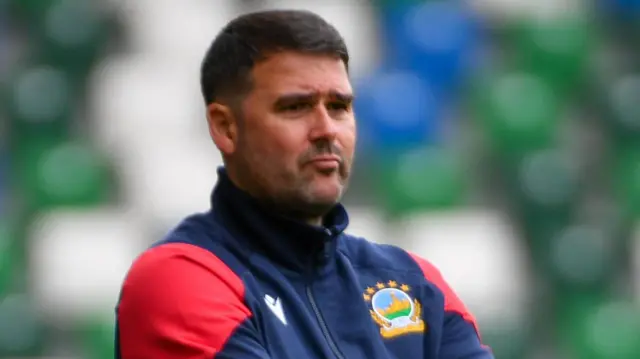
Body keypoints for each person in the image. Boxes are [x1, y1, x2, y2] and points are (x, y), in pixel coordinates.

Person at [115, 9, 493, 359]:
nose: (326, 129)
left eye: (339, 107)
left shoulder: (414, 281)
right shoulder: (178, 280)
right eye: (295, 107)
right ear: (226, 127)